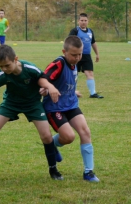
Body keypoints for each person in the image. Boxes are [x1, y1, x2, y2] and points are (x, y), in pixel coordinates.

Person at [0, 44, 63, 183]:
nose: (4, 69)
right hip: (11, 104)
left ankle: (53, 169)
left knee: (46, 136)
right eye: (1, 66)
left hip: (33, 104)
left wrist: (49, 87)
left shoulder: (29, 69)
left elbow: (42, 80)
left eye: (7, 65)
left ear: (16, 59)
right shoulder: (3, 75)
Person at [40, 35, 100, 182]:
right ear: (64, 51)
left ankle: (89, 172)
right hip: (54, 108)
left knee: (85, 131)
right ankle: (51, 145)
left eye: (80, 54)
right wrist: (45, 89)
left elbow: (65, 82)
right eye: (74, 55)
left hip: (71, 104)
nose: (78, 57)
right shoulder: (58, 64)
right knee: (69, 137)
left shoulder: (75, 63)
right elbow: (43, 79)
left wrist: (73, 92)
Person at [69, 13, 103, 98]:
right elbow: (69, 42)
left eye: (85, 20)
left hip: (87, 56)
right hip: (76, 56)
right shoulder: (75, 31)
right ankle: (72, 93)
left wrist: (97, 54)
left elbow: (93, 43)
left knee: (90, 73)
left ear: (88, 21)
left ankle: (93, 93)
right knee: (74, 74)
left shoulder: (90, 31)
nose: (83, 22)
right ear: (78, 21)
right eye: (82, 20)